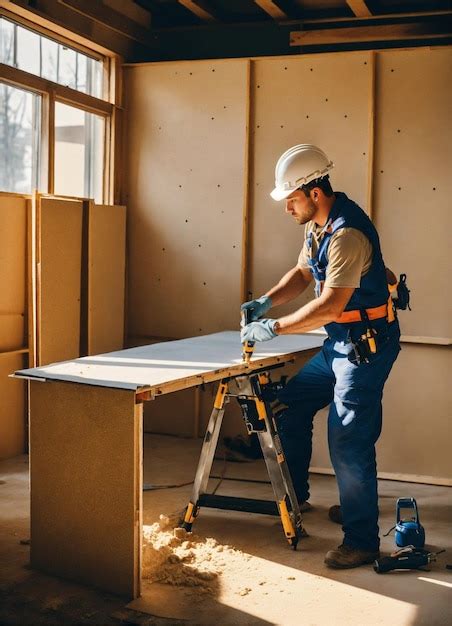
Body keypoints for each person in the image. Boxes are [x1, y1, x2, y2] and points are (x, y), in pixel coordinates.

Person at [240, 144, 401, 569]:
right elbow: (304, 273)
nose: (286, 207)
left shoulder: (347, 234)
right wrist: (265, 302)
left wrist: (274, 328)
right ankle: (295, 500)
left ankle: (362, 539)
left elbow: (330, 304)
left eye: (290, 198)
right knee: (291, 406)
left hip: (364, 348)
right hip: (338, 345)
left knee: (347, 438)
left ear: (314, 192)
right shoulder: (317, 224)